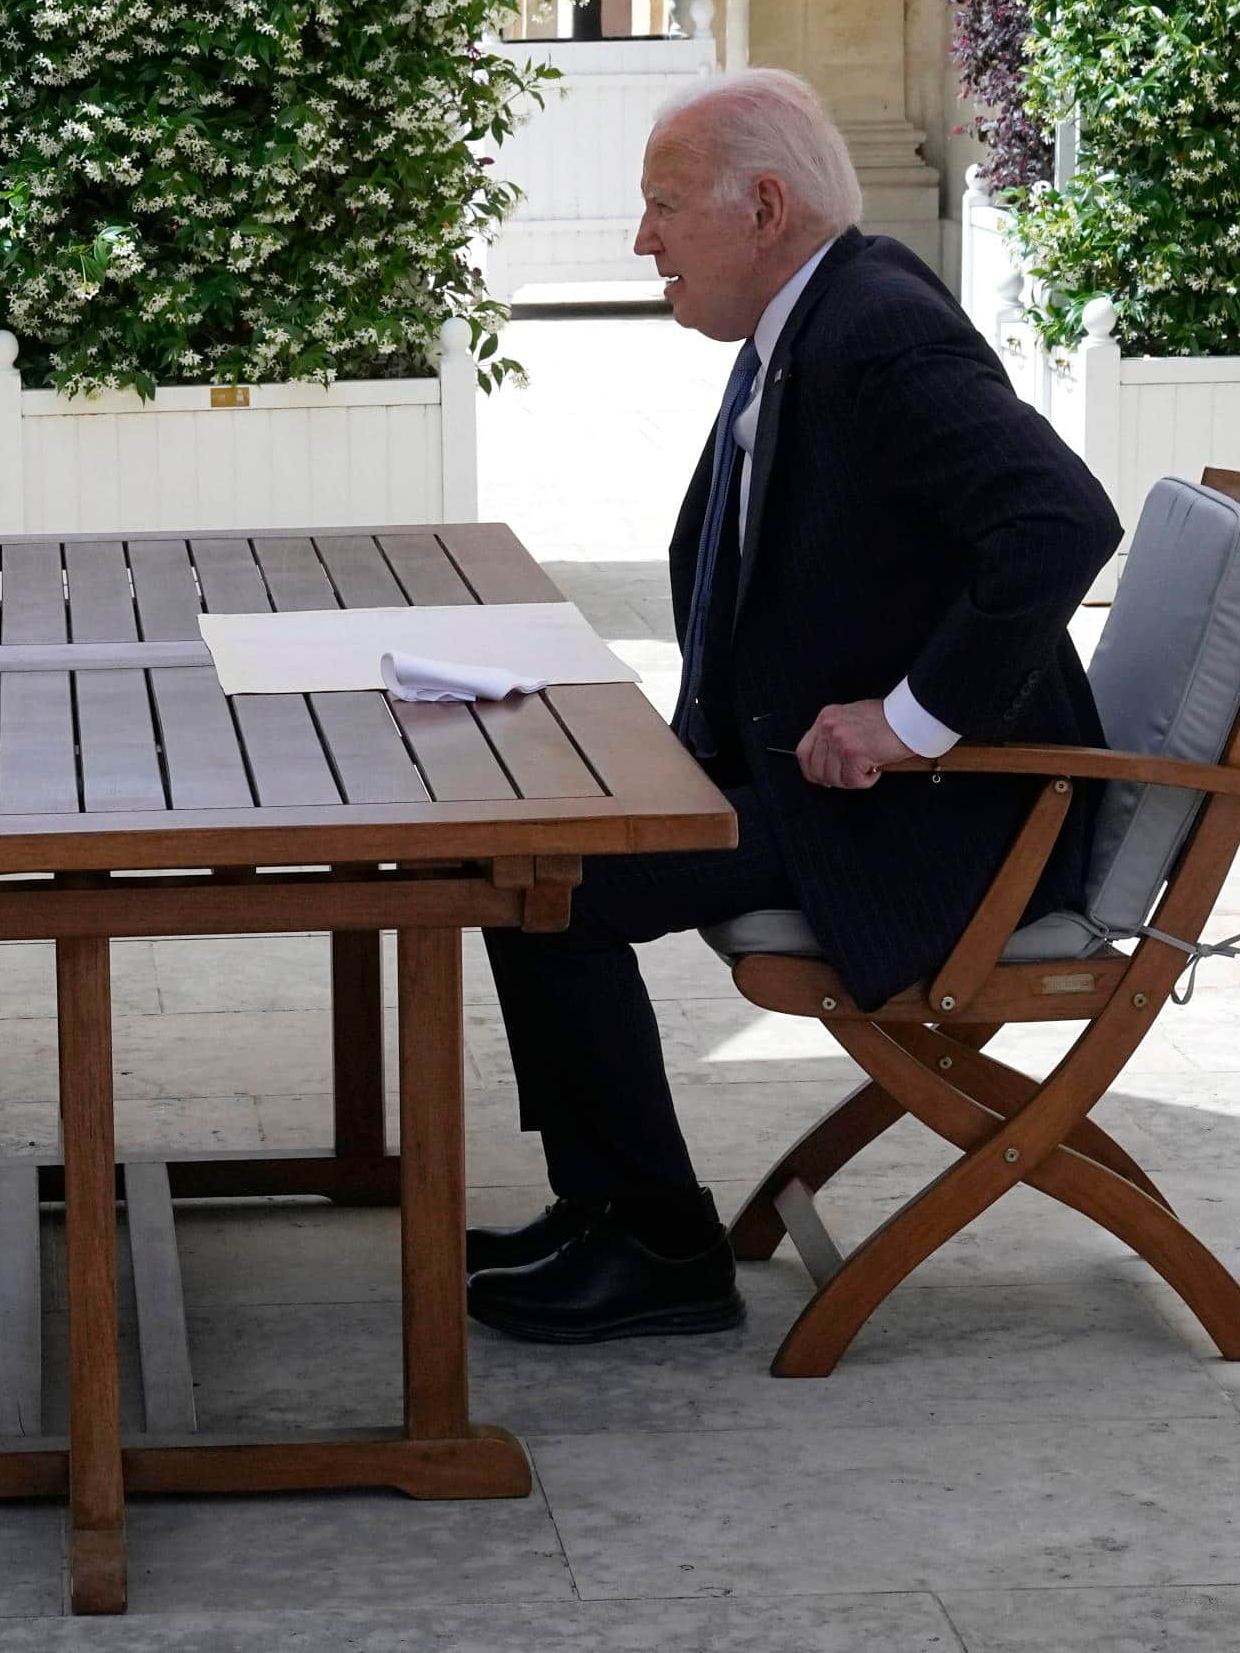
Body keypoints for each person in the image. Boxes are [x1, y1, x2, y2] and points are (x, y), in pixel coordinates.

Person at [470, 70, 1124, 1345]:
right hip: (820, 784)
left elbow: (1059, 521)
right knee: (533, 842)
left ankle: (659, 1242)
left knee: (545, 880)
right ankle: (610, 1201)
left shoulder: (878, 331)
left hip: (939, 828)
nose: (642, 240)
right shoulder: (804, 320)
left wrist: (909, 719)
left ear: (763, 206)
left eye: (663, 207)